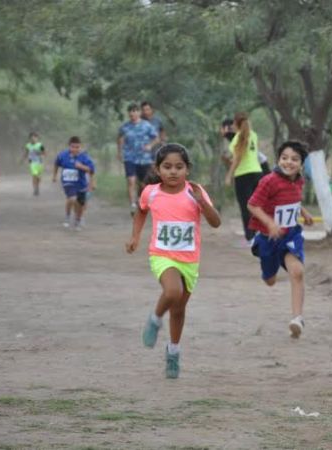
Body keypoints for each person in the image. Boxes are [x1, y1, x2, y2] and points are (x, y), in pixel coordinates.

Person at [126, 144, 221, 378]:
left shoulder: (195, 191)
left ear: (187, 169)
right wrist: (136, 236)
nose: (173, 172)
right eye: (167, 167)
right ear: (158, 169)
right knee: (172, 292)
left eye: (179, 167)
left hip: (189, 259)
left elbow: (216, 222)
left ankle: (173, 352)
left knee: (179, 309)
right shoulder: (151, 192)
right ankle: (155, 319)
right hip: (161, 255)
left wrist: (203, 202)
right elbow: (141, 211)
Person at [247, 141, 314, 338]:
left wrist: (304, 212)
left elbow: (293, 200)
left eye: (294, 159)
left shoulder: (299, 181)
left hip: (290, 234)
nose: (289, 162)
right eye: (284, 158)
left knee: (298, 272)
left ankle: (297, 319)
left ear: (301, 164)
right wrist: (269, 223)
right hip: (268, 237)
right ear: (278, 160)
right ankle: (268, 269)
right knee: (270, 280)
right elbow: (252, 205)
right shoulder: (269, 181)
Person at [225, 112, 263, 243]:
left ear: (236, 124)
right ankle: (259, 233)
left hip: (243, 175)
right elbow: (252, 154)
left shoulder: (237, 138)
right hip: (257, 172)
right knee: (256, 206)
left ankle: (250, 237)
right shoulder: (254, 135)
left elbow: (237, 159)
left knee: (246, 207)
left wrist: (229, 175)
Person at [117, 103, 160, 216]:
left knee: (144, 184)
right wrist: (119, 152)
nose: (133, 113)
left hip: (144, 158)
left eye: (135, 111)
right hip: (129, 157)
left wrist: (150, 145)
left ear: (139, 113)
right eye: (131, 111)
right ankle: (132, 205)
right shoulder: (125, 127)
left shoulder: (147, 126)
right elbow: (120, 139)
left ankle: (141, 200)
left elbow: (156, 138)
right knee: (131, 181)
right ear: (128, 113)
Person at [52, 136, 96, 231]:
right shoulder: (62, 155)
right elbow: (56, 164)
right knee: (72, 198)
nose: (75, 149)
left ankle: (78, 220)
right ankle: (68, 217)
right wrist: (54, 176)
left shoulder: (84, 157)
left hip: (81, 183)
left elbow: (91, 170)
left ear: (80, 147)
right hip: (68, 182)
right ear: (69, 146)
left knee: (80, 203)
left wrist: (81, 167)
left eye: (77, 147)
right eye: (73, 147)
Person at [20, 132, 46, 196]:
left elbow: (45, 153)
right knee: (34, 175)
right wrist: (22, 160)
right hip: (32, 163)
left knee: (39, 177)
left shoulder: (40, 145)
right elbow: (26, 153)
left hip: (40, 163)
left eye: (35, 137)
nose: (33, 139)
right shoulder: (28, 145)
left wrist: (39, 153)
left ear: (37, 138)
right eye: (31, 138)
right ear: (30, 139)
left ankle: (37, 186)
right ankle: (35, 189)